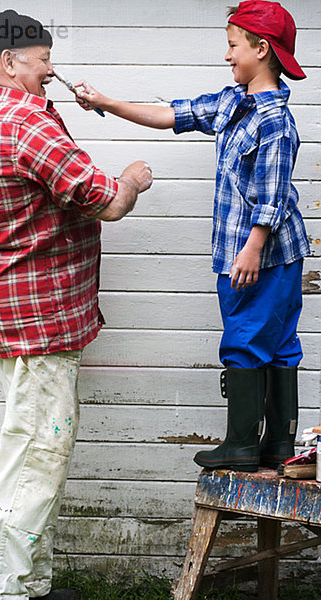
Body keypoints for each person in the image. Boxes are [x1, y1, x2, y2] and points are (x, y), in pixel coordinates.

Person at [0, 10, 152, 600]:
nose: (51, 71)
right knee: (33, 459)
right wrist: (132, 178)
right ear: (10, 63)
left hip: (10, 316)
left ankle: (26, 584)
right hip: (38, 321)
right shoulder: (24, 122)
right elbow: (106, 201)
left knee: (35, 453)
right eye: (42, 60)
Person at [75, 0, 310, 473]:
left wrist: (252, 247)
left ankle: (243, 445)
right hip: (257, 252)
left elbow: (274, 193)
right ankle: (279, 447)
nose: (226, 55)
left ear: (262, 49)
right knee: (278, 341)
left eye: (232, 45)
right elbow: (170, 114)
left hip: (259, 256)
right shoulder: (232, 102)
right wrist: (105, 103)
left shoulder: (275, 122)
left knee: (248, 339)